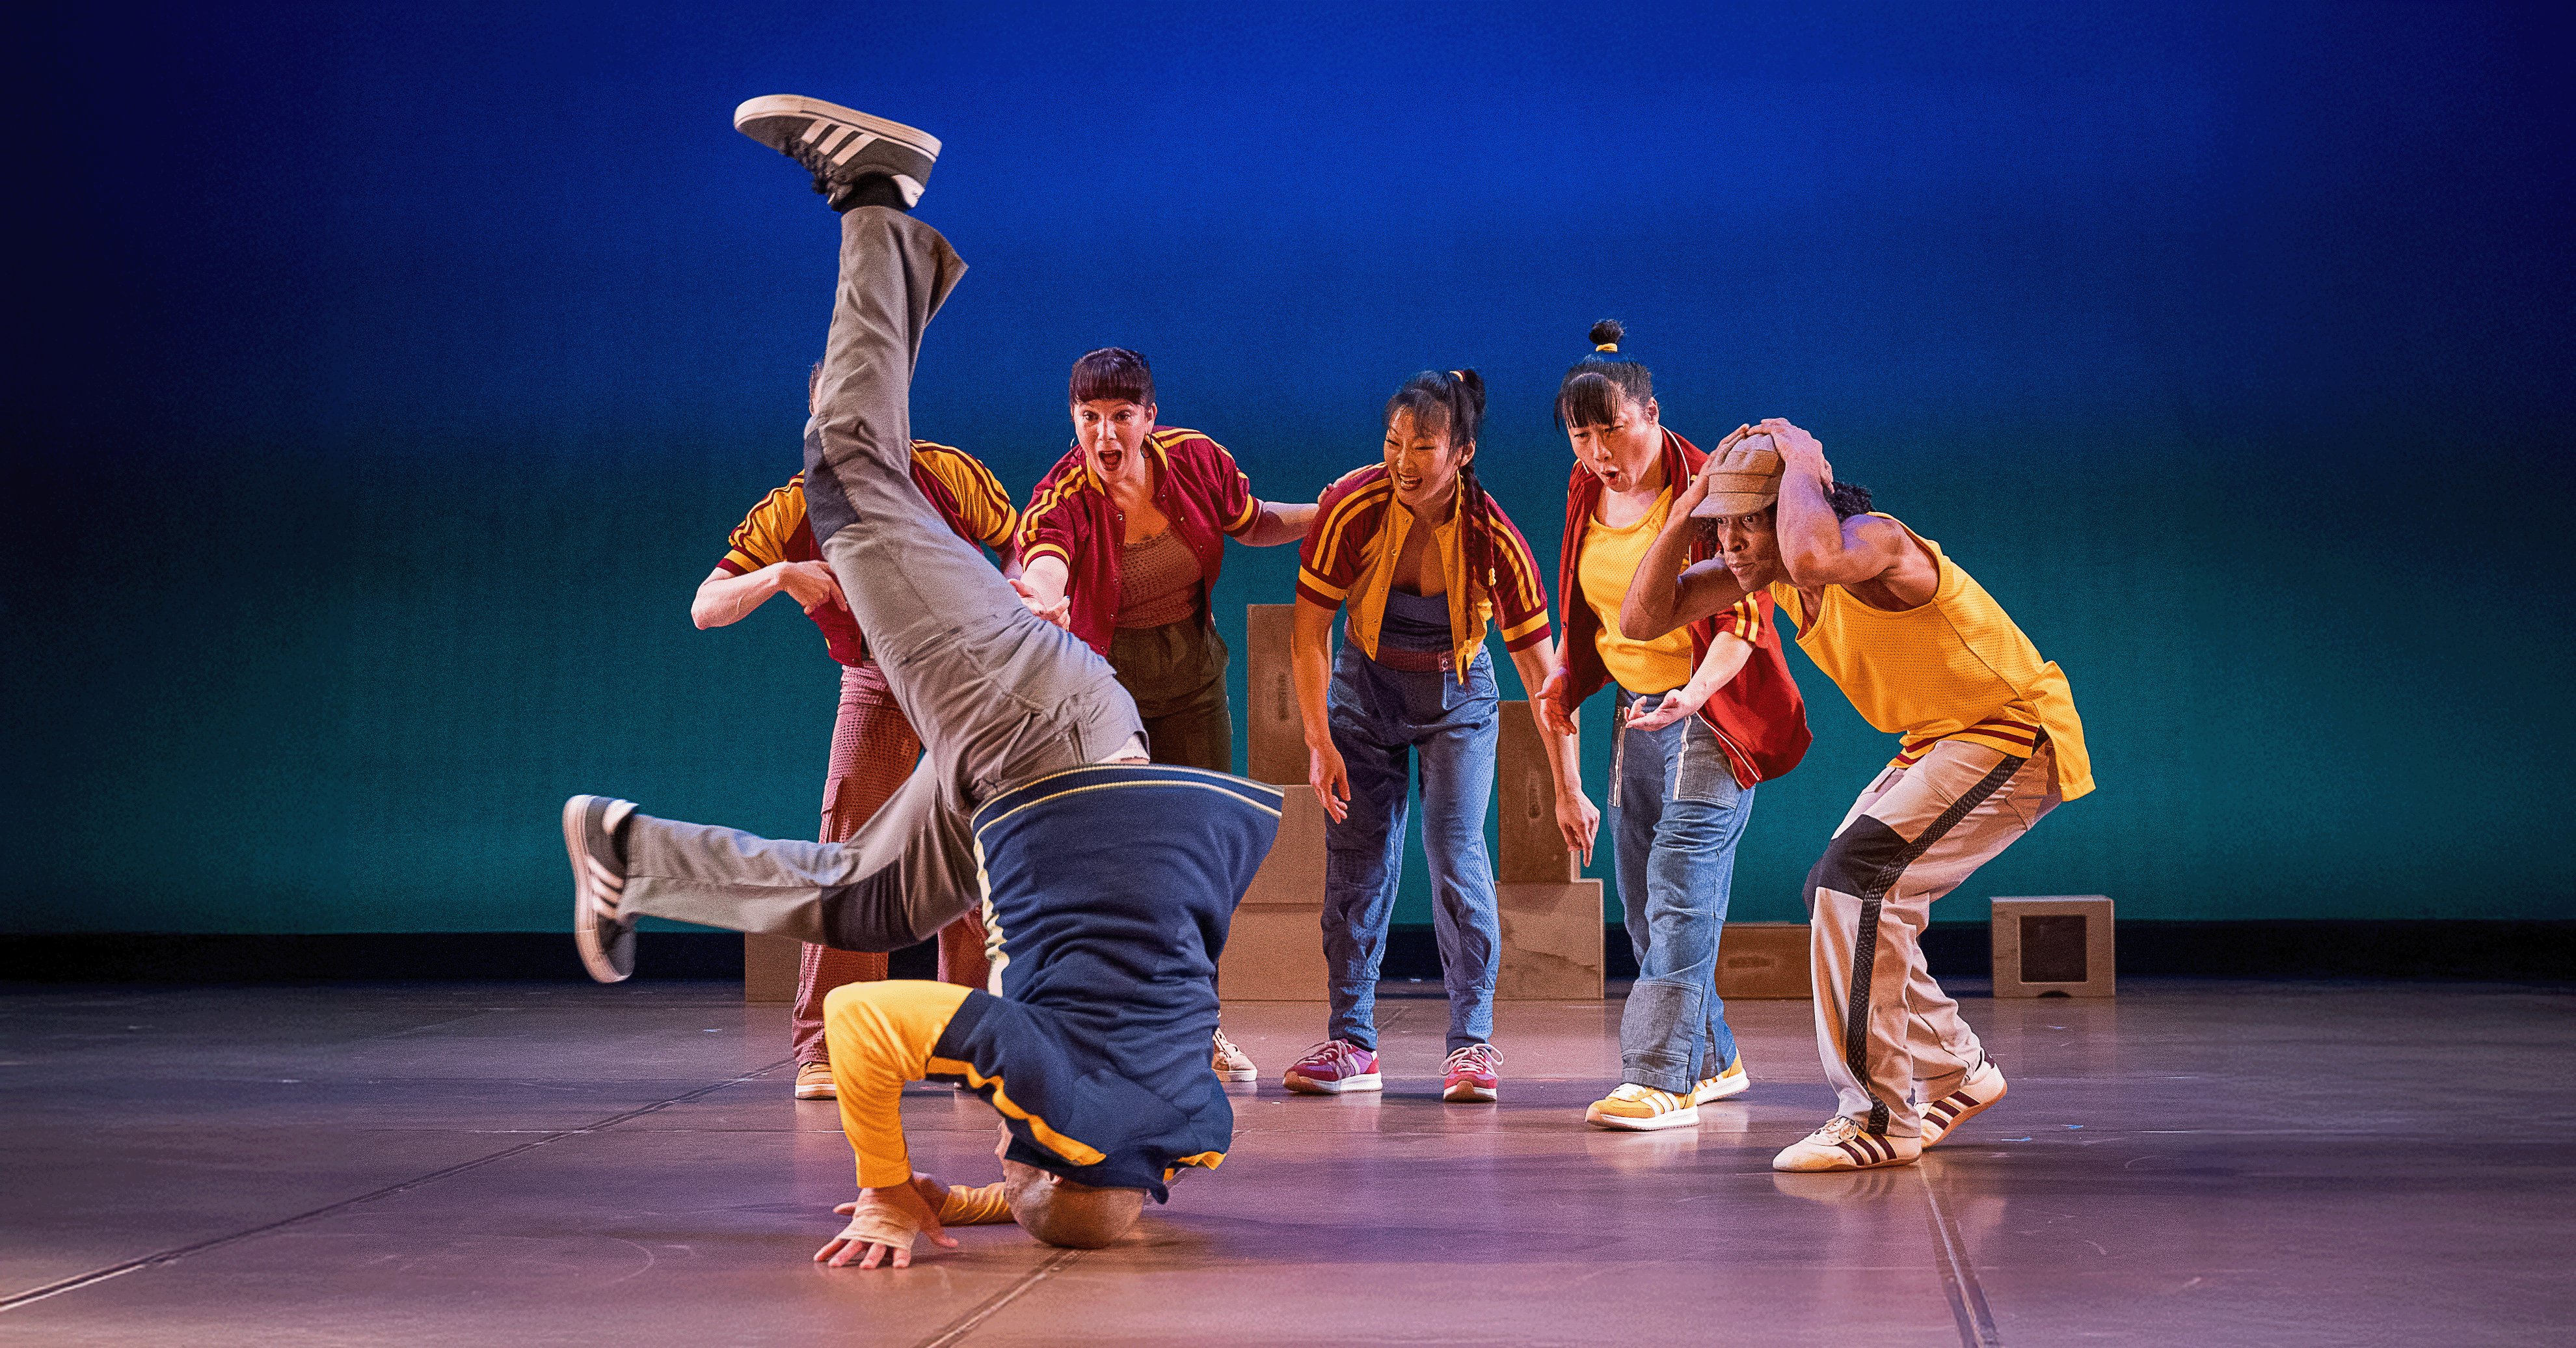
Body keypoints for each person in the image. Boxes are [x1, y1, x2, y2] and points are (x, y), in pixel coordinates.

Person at [561, 94, 1283, 1265]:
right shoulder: (1046, 1082)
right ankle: (876, 200)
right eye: (1009, 1166)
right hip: (1037, 741)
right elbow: (865, 1020)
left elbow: (1080, 1190)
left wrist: (979, 1203)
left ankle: (626, 853)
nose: (995, 1162)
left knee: (867, 901)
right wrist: (893, 1191)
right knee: (845, 474)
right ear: (1039, 1141)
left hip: (1053, 779)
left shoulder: (1178, 1135)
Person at [1620, 418, 2093, 1172]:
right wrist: (1687, 510)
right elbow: (1642, 619)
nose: (1731, 543)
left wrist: (1800, 459)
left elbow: (1815, 550)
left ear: (1794, 505)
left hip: (2010, 730)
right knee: (1836, 890)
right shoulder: (1773, 571)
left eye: (1748, 522)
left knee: (1857, 880)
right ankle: (1955, 1067)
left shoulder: (1873, 539)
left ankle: (1878, 1116)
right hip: (1940, 739)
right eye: (1723, 525)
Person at [1278, 369, 1596, 1103]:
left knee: (1455, 850)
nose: (1403, 460)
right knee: (1357, 858)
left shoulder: (1494, 538)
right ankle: (1353, 1041)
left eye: (1423, 446)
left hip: (1458, 695)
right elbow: (1307, 634)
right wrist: (1320, 740)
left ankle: (1471, 1044)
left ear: (1462, 453)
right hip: (1365, 688)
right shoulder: (1351, 508)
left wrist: (1569, 787)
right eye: (1394, 443)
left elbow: (1545, 676)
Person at [1535, 323, 1813, 1132]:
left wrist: (1693, 694)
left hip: (1712, 709)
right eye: (1581, 435)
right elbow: (1587, 601)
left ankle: (1659, 1076)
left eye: (1612, 428)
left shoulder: (1707, 489)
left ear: (1651, 413)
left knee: (1681, 886)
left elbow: (1746, 614)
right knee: (1642, 906)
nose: (1598, 450)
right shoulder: (1585, 487)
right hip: (1639, 711)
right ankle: (1714, 1058)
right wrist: (1567, 675)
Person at [1013, 349, 1315, 1082]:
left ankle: (1196, 1026)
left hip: (1193, 678)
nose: (1105, 434)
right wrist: (1041, 597)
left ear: (1150, 416)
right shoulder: (1061, 498)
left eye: (1121, 415)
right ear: (1073, 419)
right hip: (1103, 692)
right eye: (1089, 417)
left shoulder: (1196, 460)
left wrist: (1335, 512)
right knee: (1115, 865)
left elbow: (1254, 520)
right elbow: (1046, 559)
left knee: (1200, 859)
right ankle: (1099, 1032)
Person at [691, 425, 1016, 1101]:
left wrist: (1020, 595)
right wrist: (781, 575)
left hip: (963, 673)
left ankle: (971, 1040)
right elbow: (706, 607)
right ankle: (832, 1046)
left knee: (979, 842)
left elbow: (1024, 545)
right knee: (850, 850)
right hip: (876, 680)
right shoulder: (794, 506)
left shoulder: (948, 472)